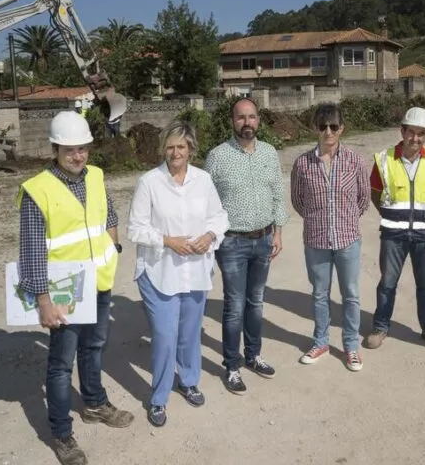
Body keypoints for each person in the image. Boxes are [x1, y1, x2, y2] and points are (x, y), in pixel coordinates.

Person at [17, 111, 133, 465]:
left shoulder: (95, 176)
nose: (78, 155)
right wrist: (43, 300)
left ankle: (95, 403)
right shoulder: (38, 189)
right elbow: (32, 249)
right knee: (61, 363)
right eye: (70, 150)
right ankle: (62, 433)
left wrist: (113, 249)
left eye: (82, 148)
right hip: (63, 290)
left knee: (95, 346)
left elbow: (109, 215)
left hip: (98, 281)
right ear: (55, 149)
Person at [126, 121, 230, 427]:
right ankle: (158, 398)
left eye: (181, 147)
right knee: (164, 335)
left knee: (189, 333)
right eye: (170, 147)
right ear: (163, 149)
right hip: (160, 271)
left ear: (191, 149)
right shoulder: (149, 182)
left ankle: (188, 380)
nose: (175, 153)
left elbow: (219, 217)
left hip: (196, 270)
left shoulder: (203, 180)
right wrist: (168, 241)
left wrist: (210, 236)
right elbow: (135, 228)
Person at [203, 97, 289, 395]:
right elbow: (206, 202)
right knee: (235, 305)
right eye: (241, 117)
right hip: (232, 243)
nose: (247, 122)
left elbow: (278, 193)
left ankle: (253, 355)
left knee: (256, 301)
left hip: (264, 238)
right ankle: (232, 365)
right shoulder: (217, 156)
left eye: (252, 117)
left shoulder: (269, 153)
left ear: (259, 120)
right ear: (232, 121)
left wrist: (277, 232)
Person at [363, 106, 425, 352]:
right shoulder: (384, 159)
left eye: (422, 133)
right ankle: (380, 327)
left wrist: (422, 214)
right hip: (393, 233)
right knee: (388, 283)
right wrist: (393, 214)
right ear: (402, 131)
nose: (415, 139)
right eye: (411, 132)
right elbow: (375, 193)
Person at [290, 103, 369, 371]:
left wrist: (344, 221)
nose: (328, 132)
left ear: (342, 129)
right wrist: (319, 220)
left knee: (351, 295)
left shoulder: (355, 161)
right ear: (315, 129)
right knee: (319, 295)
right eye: (322, 126)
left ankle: (351, 347)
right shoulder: (302, 163)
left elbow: (363, 199)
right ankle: (321, 342)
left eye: (333, 126)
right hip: (316, 241)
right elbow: (298, 201)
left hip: (348, 239)